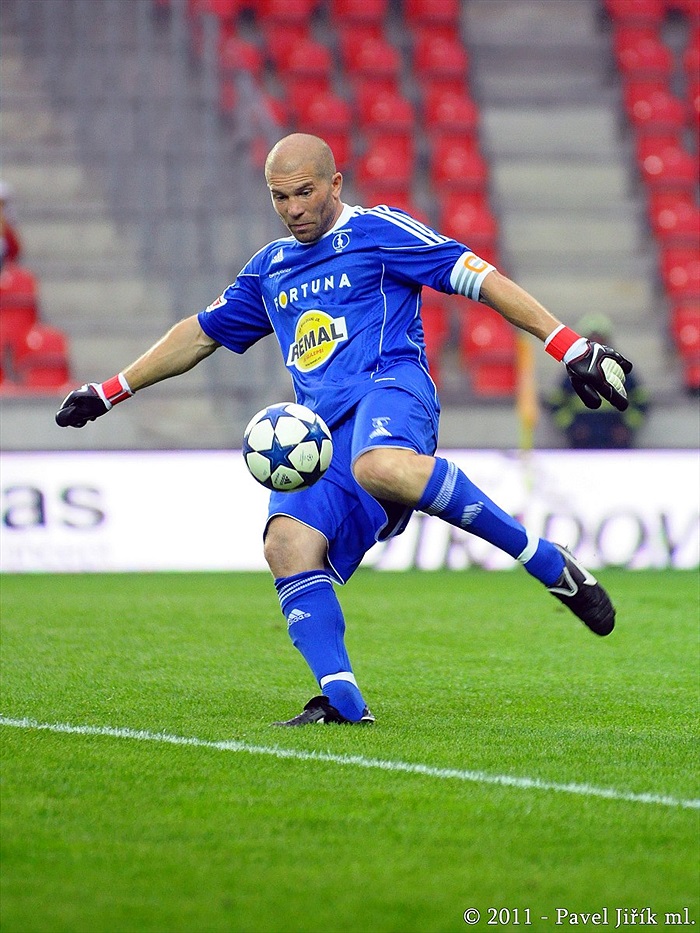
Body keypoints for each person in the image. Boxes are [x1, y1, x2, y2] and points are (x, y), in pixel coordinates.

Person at [56, 133, 633, 726]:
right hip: (321, 435)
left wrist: (569, 345)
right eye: (280, 198)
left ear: (334, 184)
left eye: (304, 193)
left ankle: (542, 560)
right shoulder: (270, 269)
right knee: (286, 544)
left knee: (378, 464)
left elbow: (478, 277)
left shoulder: (382, 232)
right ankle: (344, 703)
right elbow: (201, 333)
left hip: (392, 391)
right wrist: (109, 390)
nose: (294, 209)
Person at [545, 313, 648, 449]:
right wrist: (573, 428)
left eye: (600, 340)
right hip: (583, 441)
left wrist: (626, 427)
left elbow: (641, 401)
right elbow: (556, 404)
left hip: (616, 440)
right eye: (591, 341)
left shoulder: (621, 370)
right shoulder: (572, 372)